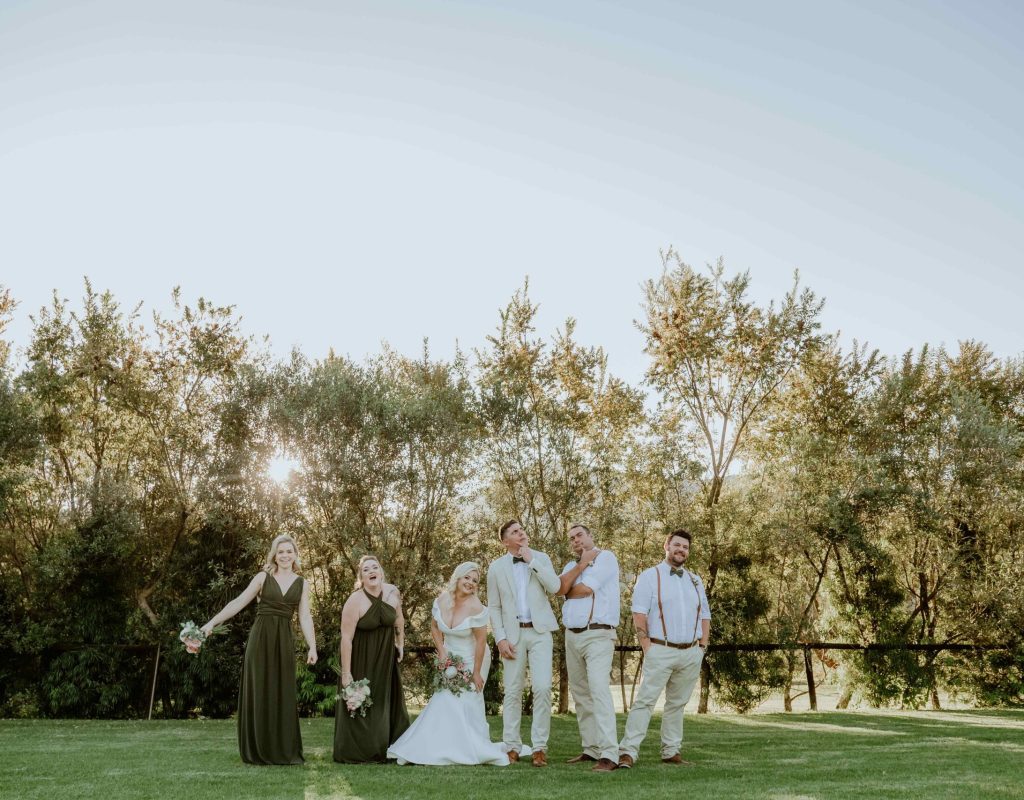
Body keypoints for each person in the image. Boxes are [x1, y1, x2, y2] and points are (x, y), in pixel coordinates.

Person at [201, 533, 317, 765]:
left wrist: (312, 646)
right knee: (260, 689)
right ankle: (257, 748)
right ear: (274, 555)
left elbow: (305, 616)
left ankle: (281, 749)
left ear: (295, 554)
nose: (285, 556)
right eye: (280, 552)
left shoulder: (302, 583)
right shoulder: (263, 577)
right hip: (260, 638)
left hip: (284, 640)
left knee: (282, 690)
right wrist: (212, 623)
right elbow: (238, 602)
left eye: (289, 551)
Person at [387, 562, 511, 766]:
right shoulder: (442, 600)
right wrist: (442, 652)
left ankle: (469, 747)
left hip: (473, 658)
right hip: (449, 656)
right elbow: (435, 628)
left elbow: (481, 642)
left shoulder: (476, 607)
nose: (470, 583)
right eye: (467, 578)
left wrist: (476, 673)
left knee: (467, 702)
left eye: (475, 580)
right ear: (458, 577)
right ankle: (439, 746)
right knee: (443, 699)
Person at [617, 529, 711, 769]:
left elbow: (705, 615)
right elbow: (639, 614)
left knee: (677, 704)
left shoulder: (695, 580)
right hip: (660, 649)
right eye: (677, 545)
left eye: (685, 547)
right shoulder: (649, 576)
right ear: (666, 546)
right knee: (645, 702)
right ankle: (628, 751)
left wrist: (702, 647)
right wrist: (647, 647)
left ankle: (671, 751)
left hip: (691, 652)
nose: (681, 550)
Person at [486, 519, 560, 766]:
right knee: (512, 691)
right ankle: (512, 746)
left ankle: (539, 747)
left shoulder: (541, 558)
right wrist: (500, 638)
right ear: (505, 541)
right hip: (512, 636)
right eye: (515, 532)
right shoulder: (496, 567)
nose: (521, 533)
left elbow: (555, 586)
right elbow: (494, 606)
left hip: (540, 633)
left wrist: (532, 561)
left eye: (522, 530)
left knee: (542, 688)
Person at [333, 555, 411, 762]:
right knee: (362, 702)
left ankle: (388, 746)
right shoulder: (354, 600)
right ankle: (361, 750)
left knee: (384, 701)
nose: (371, 571)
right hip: (361, 657)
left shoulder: (393, 592)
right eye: (366, 570)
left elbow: (399, 620)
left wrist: (400, 643)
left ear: (381, 571)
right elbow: (346, 639)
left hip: (385, 656)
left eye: (374, 567)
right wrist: (346, 673)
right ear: (361, 577)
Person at [557, 523, 621, 773]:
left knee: (598, 689)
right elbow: (560, 589)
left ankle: (609, 753)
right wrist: (580, 566)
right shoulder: (569, 566)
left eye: (580, 535)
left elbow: (584, 590)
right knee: (581, 694)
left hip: (598, 634)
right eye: (572, 538)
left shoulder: (606, 557)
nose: (576, 540)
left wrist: (567, 589)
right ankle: (591, 748)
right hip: (572, 635)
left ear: (590, 536)